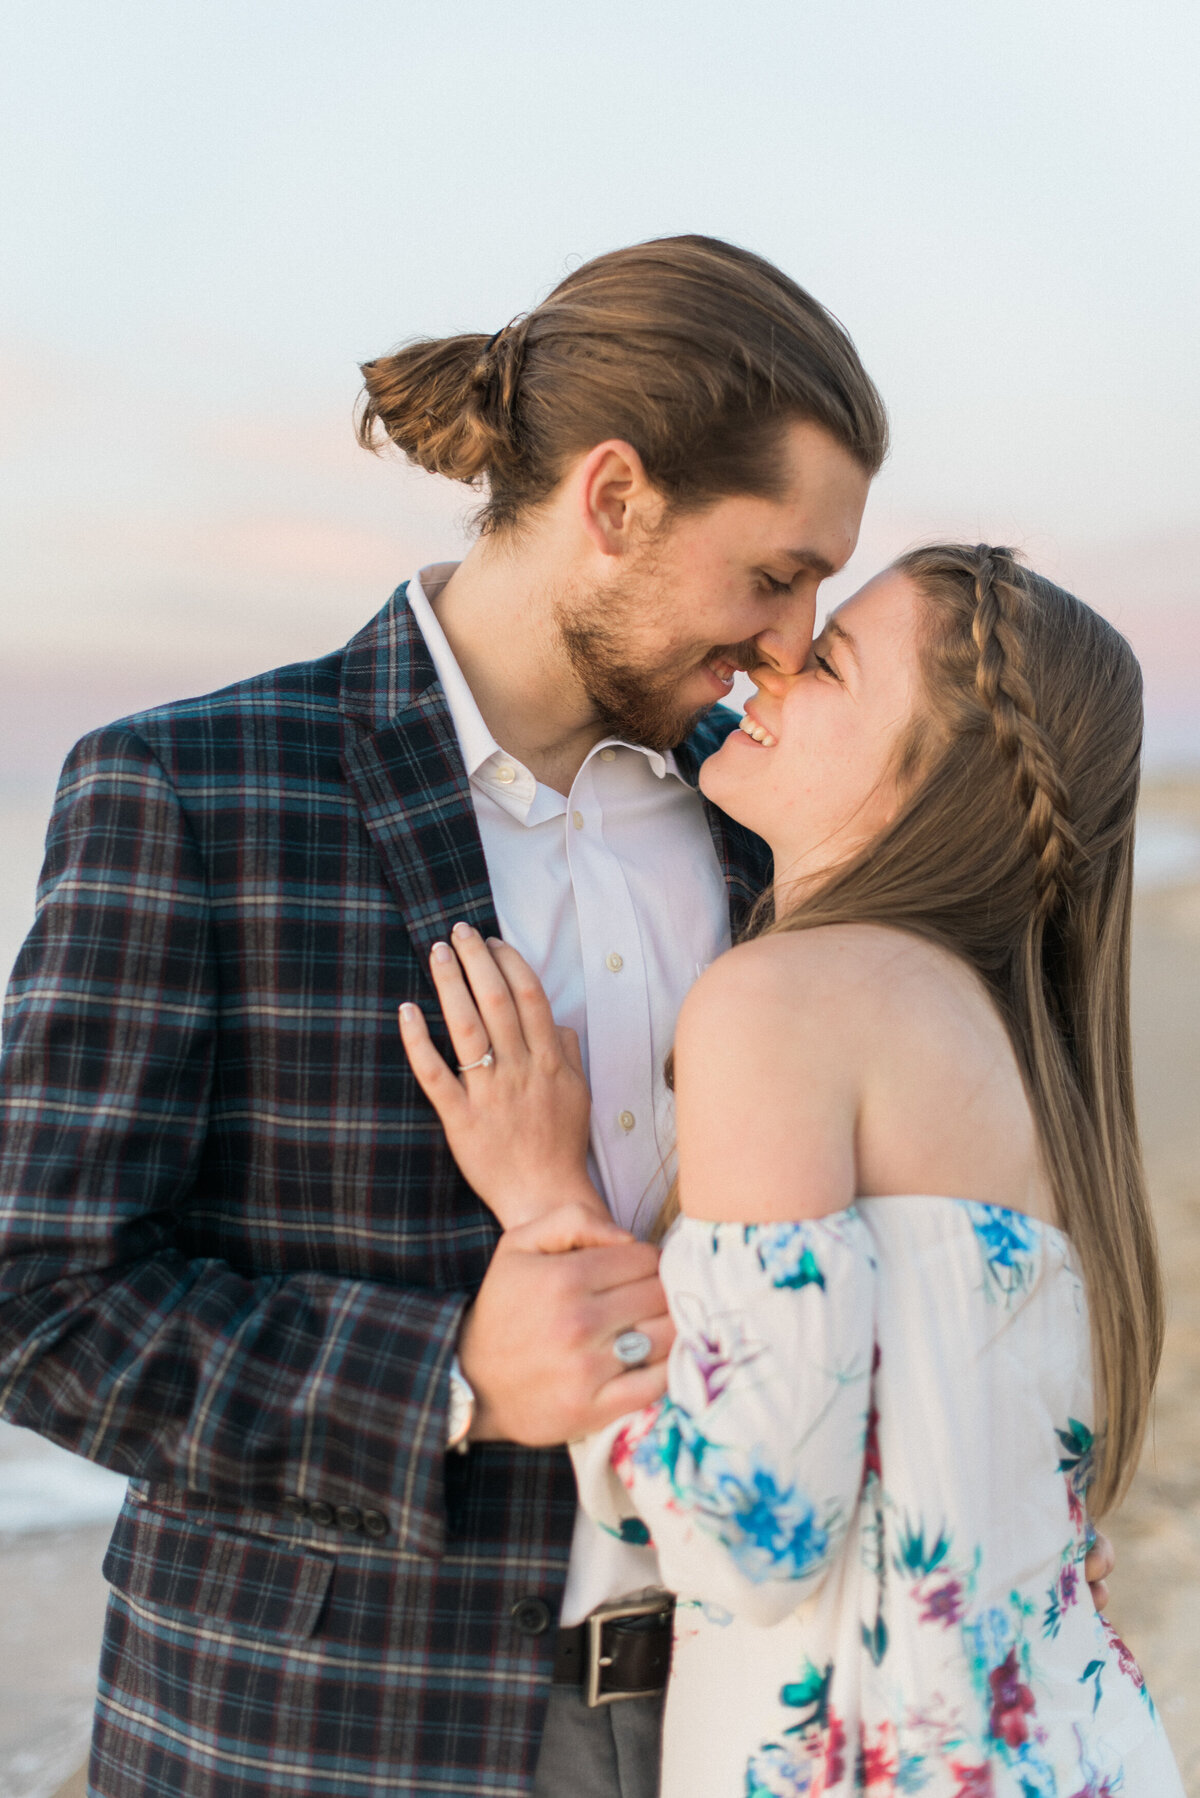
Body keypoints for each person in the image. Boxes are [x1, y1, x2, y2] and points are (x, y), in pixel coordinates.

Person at [0, 235, 894, 1798]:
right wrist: (453, 1375)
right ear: (614, 500)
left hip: (743, 1721)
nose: (790, 636)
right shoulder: (192, 791)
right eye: (776, 571)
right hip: (322, 1736)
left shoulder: (762, 834)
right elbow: (38, 1292)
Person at [398, 543, 1180, 1794]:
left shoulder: (782, 1002)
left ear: (932, 770)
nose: (772, 662)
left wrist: (548, 1198)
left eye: (829, 664)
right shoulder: (1013, 1042)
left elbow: (755, 1532)